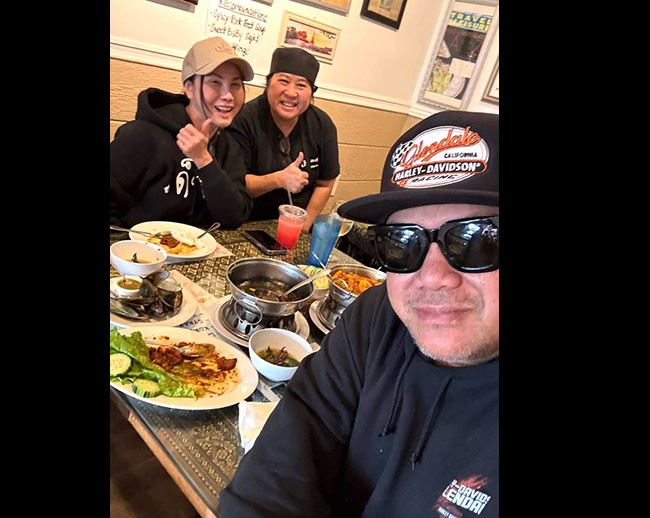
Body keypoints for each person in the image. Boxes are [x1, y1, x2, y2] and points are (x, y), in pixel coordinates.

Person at [220, 110, 499, 517]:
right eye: (402, 243)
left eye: (477, 241)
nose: (433, 278)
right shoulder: (377, 316)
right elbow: (282, 462)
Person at [110, 36, 254, 229]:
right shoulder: (142, 135)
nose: (228, 95)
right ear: (189, 88)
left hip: (199, 246)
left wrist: (204, 160)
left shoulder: (229, 146)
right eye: (215, 82)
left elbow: (234, 217)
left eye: (235, 84)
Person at [227, 47, 340, 231]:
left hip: (296, 226)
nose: (291, 92)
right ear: (268, 84)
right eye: (283, 81)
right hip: (246, 224)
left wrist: (302, 227)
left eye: (301, 85)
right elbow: (234, 184)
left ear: (312, 92)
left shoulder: (322, 125)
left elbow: (325, 183)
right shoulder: (243, 120)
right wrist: (278, 179)